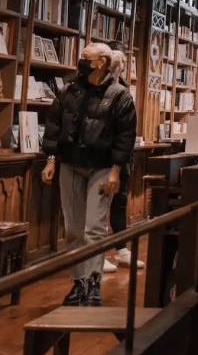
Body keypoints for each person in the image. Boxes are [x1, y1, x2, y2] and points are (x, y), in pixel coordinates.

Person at [42, 42, 136, 307]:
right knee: (73, 229)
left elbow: (125, 137)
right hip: (70, 164)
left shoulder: (120, 95)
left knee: (94, 228)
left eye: (87, 58)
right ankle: (78, 282)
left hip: (103, 166)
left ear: (102, 62)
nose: (81, 61)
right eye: (81, 57)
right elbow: (53, 126)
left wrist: (116, 170)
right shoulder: (68, 90)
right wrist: (50, 160)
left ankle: (94, 282)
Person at [103, 51, 143, 274]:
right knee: (101, 207)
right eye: (122, 63)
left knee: (119, 203)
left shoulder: (124, 88)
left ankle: (121, 250)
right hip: (107, 158)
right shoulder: (103, 89)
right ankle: (98, 253)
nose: (124, 67)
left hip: (124, 156)